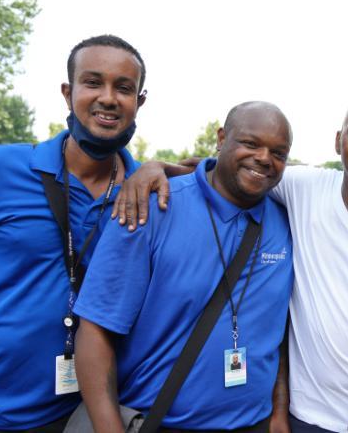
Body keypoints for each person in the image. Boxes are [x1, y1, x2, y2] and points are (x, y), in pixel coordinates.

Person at [114, 97, 348, 433]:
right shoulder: (304, 188)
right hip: (307, 414)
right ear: (338, 141)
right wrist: (155, 168)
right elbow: (233, 170)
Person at [73, 102, 294, 432]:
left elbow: (278, 330)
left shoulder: (286, 221)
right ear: (222, 138)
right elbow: (95, 329)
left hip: (255, 423)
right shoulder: (150, 206)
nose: (264, 158)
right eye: (250, 143)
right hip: (157, 422)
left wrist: (278, 411)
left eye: (278, 152)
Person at [0, 35, 147, 431]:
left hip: (78, 415)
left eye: (123, 88)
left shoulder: (145, 194)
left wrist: (159, 169)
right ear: (68, 92)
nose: (108, 98)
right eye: (93, 82)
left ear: (139, 101)